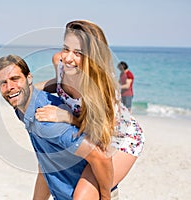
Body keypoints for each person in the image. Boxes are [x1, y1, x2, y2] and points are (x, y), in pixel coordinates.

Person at [35, 20, 145, 199]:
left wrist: (67, 116)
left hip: (117, 138)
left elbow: (102, 141)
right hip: (85, 127)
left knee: (81, 197)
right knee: (46, 164)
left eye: (78, 53)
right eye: (66, 48)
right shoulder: (60, 61)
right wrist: (30, 90)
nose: (68, 58)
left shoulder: (101, 89)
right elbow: (58, 83)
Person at [0, 54, 114, 200]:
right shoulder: (21, 109)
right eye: (3, 83)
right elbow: (46, 165)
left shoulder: (48, 122)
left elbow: (100, 157)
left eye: (15, 79)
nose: (9, 87)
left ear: (29, 78)